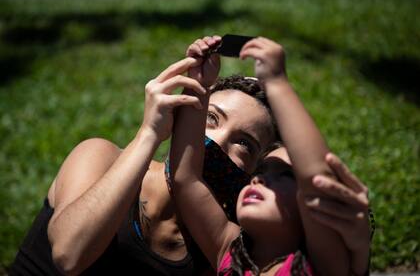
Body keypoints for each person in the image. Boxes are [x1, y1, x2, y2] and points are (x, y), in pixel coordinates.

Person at [9, 36, 370, 275]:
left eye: (244, 143)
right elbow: (70, 255)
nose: (216, 141)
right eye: (209, 119)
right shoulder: (100, 157)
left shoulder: (227, 245)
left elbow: (312, 183)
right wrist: (150, 133)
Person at [168, 36, 371, 275]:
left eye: (285, 176)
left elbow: (316, 181)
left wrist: (277, 83)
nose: (259, 179)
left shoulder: (320, 266)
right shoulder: (229, 254)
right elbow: (186, 177)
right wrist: (199, 84)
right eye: (259, 172)